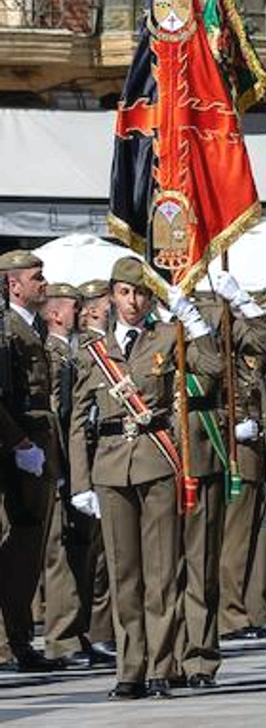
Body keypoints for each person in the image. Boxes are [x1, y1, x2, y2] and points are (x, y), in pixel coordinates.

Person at [68, 257, 221, 699]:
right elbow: (79, 421)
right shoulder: (93, 351)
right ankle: (129, 669)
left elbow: (210, 371)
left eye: (139, 293)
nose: (131, 302)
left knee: (160, 573)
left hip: (157, 462)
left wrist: (194, 323)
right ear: (111, 296)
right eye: (123, 292)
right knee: (124, 575)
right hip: (111, 469)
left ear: (151, 297)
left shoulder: (167, 337)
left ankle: (161, 666)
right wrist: (81, 482)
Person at [38, 283, 111, 670]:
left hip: (83, 460)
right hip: (58, 462)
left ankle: (83, 631)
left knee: (86, 553)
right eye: (74, 306)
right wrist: (63, 467)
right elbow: (55, 413)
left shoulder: (76, 351)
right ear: (55, 314)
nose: (81, 312)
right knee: (61, 555)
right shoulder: (50, 352)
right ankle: (62, 638)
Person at [217, 279, 266, 643]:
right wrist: (231, 430)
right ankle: (229, 614)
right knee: (234, 542)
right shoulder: (214, 360)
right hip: (231, 457)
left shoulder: (241, 362)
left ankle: (242, 607)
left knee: (247, 541)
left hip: (252, 457)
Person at [0, 250, 58, 672]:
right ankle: (8, 642)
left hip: (34, 443)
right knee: (13, 546)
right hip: (14, 446)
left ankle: (20, 640)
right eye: (36, 277)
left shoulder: (31, 327)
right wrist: (19, 443)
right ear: (13, 284)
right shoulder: (7, 329)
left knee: (27, 549)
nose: (44, 283)